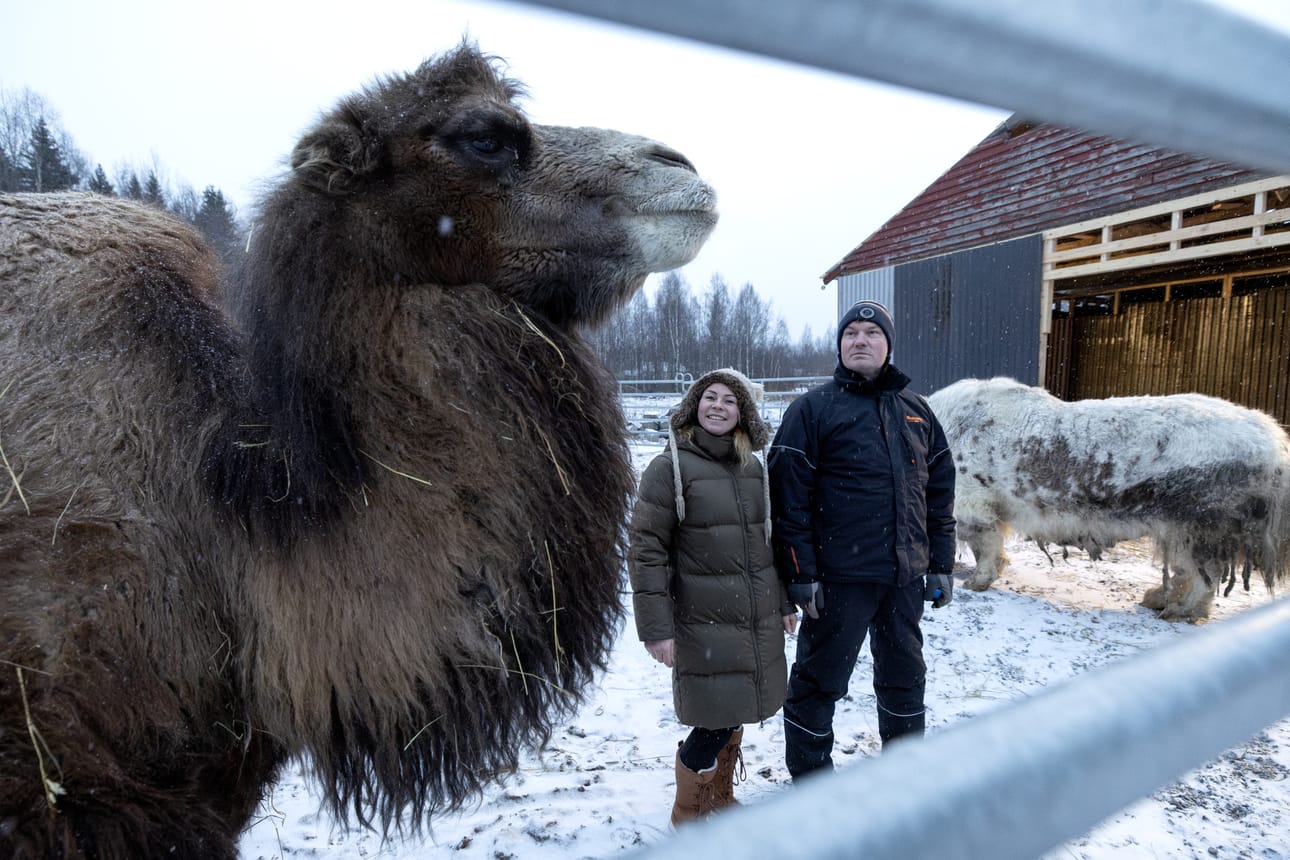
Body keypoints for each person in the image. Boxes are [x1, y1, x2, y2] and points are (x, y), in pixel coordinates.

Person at [768, 300, 956, 779]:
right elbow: (788, 499)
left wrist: (941, 562)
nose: (860, 340)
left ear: (888, 346)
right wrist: (799, 572)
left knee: (905, 677)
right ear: (840, 347)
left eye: (872, 333)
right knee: (819, 681)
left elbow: (939, 492)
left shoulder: (917, 412)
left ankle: (903, 772)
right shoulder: (811, 410)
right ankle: (812, 779)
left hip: (904, 576)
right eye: (850, 333)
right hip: (838, 579)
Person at [628, 367, 798, 827]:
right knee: (713, 717)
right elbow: (646, 552)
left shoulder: (752, 468)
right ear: (694, 406)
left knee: (737, 706)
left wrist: (782, 601)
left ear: (742, 413)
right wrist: (656, 629)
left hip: (754, 615)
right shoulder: (670, 467)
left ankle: (719, 796)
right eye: (710, 397)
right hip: (703, 619)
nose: (718, 406)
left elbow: (769, 545)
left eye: (730, 400)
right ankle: (689, 811)